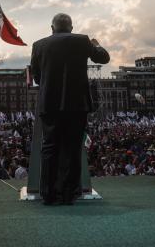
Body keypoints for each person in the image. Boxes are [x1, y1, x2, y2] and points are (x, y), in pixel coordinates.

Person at [31, 13, 110, 205]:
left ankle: (49, 195)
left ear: (52, 28)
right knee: (73, 149)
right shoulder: (82, 41)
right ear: (71, 28)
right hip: (77, 105)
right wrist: (96, 44)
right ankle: (68, 195)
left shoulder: (39, 45)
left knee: (49, 148)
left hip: (49, 105)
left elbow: (37, 77)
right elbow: (104, 58)